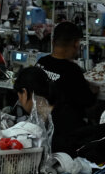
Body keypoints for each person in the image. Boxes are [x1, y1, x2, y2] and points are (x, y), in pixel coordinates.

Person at [37, 22, 98, 152]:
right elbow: (88, 101)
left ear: (53, 41)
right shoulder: (72, 71)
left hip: (42, 128)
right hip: (66, 134)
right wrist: (94, 89)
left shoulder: (41, 63)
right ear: (76, 44)